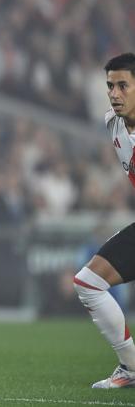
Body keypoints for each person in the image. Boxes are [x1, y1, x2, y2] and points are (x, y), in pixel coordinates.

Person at [75, 52, 135, 388]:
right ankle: (131, 366)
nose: (114, 93)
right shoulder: (113, 122)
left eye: (123, 85)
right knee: (88, 282)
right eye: (110, 86)